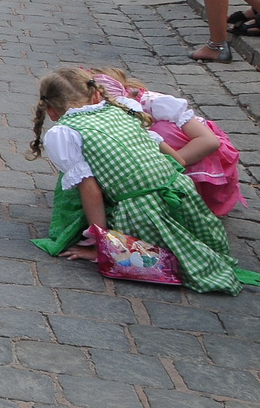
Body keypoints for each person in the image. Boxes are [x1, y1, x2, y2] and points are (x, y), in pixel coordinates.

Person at [29, 68, 256, 293]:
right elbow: (175, 159)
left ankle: (139, 246)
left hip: (143, 212)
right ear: (96, 93)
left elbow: (91, 191)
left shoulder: (65, 132)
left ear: (50, 110)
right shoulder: (125, 109)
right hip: (184, 196)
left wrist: (103, 245)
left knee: (78, 183)